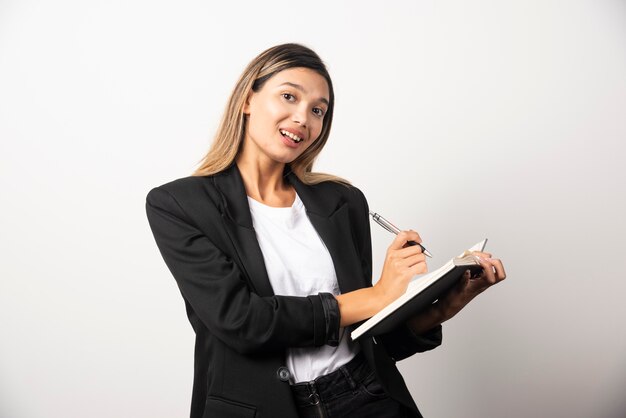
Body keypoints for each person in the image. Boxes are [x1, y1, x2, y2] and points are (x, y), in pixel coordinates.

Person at [145, 43, 506, 418]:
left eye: (318, 110)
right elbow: (243, 322)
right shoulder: (179, 205)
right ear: (248, 99)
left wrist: (446, 303)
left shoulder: (343, 202)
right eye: (289, 96)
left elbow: (369, 337)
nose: (303, 118)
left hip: (365, 397)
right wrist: (378, 294)